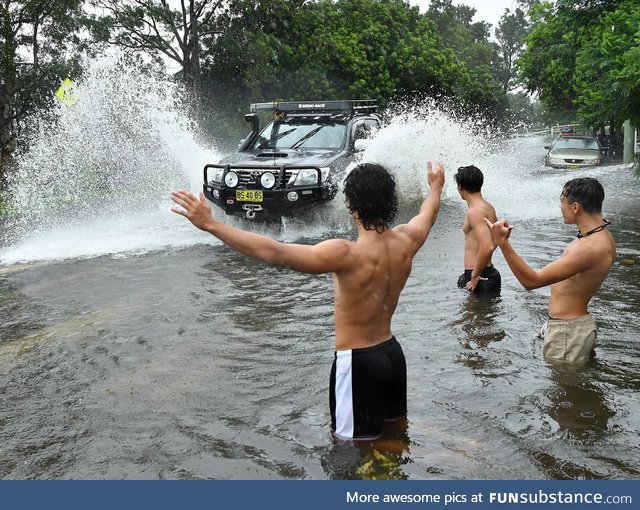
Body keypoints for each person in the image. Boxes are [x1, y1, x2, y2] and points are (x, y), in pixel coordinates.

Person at [171, 161, 445, 440]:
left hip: (359, 363)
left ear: (351, 205)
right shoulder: (407, 239)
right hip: (392, 354)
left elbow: (275, 252)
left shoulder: (345, 254)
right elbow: (428, 212)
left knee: (350, 449)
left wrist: (211, 224)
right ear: (390, 201)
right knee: (396, 432)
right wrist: (435, 186)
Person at [485, 177, 616, 364]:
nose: (560, 207)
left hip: (568, 333)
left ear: (576, 207)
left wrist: (502, 243)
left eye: (562, 201)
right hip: (572, 327)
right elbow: (571, 286)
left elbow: (531, 281)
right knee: (574, 389)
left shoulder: (588, 248)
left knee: (565, 390)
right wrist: (551, 323)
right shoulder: (602, 236)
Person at [454, 165, 501, 296]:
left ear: (460, 187)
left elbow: (487, 246)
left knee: (474, 315)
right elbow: (499, 237)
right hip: (485, 273)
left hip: (479, 276)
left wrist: (474, 276)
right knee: (483, 315)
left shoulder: (474, 212)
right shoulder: (488, 206)